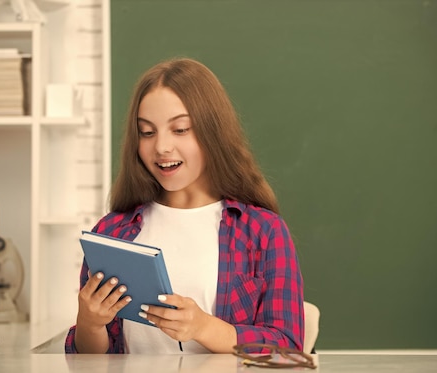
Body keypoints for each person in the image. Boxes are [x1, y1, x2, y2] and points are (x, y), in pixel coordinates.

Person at [65, 57, 304, 354]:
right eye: (147, 132)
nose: (162, 147)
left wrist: (204, 327)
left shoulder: (263, 231)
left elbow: (288, 349)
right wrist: (90, 324)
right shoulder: (112, 232)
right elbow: (90, 358)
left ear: (212, 132)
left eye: (180, 129)